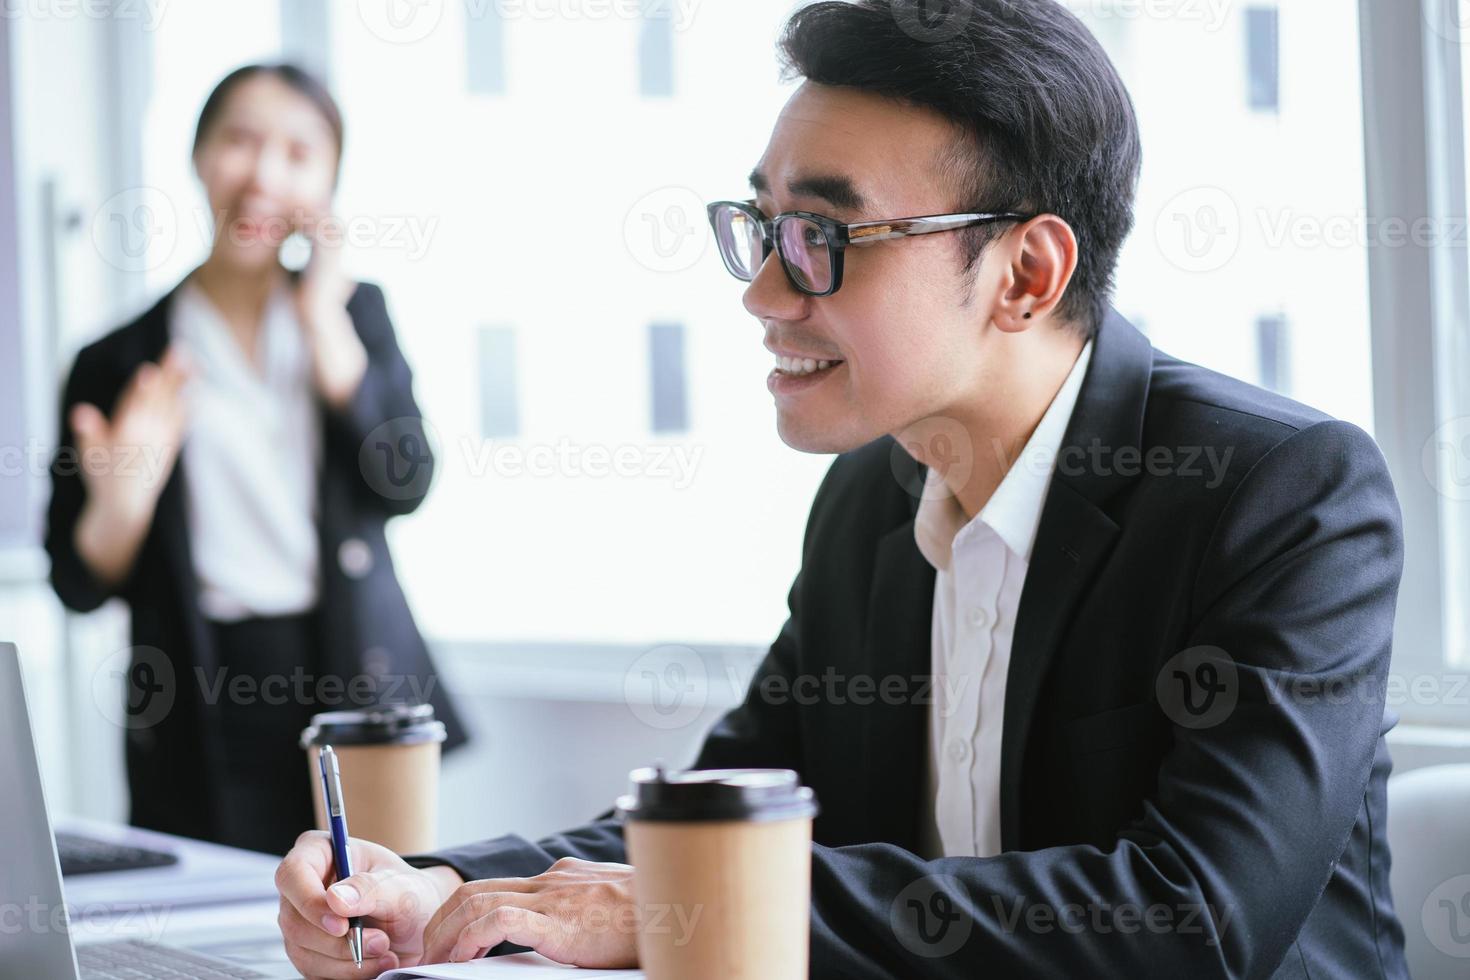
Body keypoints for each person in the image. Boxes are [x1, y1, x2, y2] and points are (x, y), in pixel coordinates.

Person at [273, 1, 1408, 976]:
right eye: (764, 226)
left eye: (819, 235)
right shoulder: (873, 497)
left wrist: (696, 911)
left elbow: (1192, 920)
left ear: (1027, 273)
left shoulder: (1282, 495)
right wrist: (438, 882)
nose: (764, 292)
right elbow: (720, 815)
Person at [46, 63, 464, 855]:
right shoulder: (116, 359)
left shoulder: (354, 313)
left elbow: (405, 483)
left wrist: (326, 330)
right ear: (199, 156)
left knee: (371, 925)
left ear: (329, 180)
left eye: (298, 153)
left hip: (348, 672)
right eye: (240, 140)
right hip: (196, 688)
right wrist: (121, 504)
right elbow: (75, 580)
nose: (264, 174)